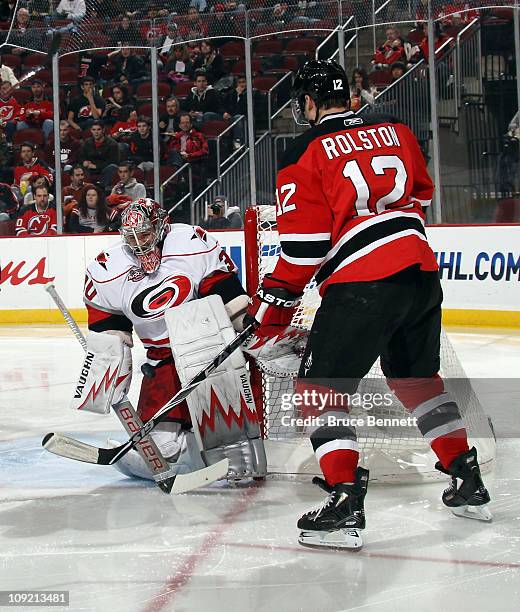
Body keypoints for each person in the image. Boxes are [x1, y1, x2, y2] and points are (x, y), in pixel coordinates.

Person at [244, 59, 492, 550]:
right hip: (420, 271)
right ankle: (467, 480)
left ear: (308, 104)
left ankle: (343, 501)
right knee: (418, 382)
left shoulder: (304, 151)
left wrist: (274, 303)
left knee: (318, 389)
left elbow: (306, 245)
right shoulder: (397, 130)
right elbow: (421, 191)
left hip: (365, 280)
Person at [76, 197, 264, 482]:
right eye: (132, 238)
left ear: (161, 226)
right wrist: (110, 359)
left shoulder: (190, 241)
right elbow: (107, 320)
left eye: (145, 235)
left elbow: (225, 292)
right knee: (163, 439)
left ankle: (225, 449)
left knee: (228, 439)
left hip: (207, 350)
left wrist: (244, 325)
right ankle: (169, 446)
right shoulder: (107, 268)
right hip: (161, 360)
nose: (139, 245)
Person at [78, 120, 120, 188]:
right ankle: (85, 189)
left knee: (113, 167)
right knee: (79, 168)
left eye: (98, 129)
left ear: (103, 130)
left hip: (104, 169)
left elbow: (114, 161)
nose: (96, 132)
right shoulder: (87, 142)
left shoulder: (112, 144)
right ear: (91, 130)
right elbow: (81, 156)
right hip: (89, 169)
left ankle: (100, 188)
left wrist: (96, 166)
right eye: (93, 130)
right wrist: (84, 162)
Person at [223, 74, 247, 149]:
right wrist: (224, 113)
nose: (241, 85)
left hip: (245, 118)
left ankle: (238, 142)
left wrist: (240, 95)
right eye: (239, 83)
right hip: (231, 117)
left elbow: (244, 110)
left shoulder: (253, 93)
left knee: (237, 117)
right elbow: (225, 106)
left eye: (243, 82)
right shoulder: (231, 93)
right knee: (209, 115)